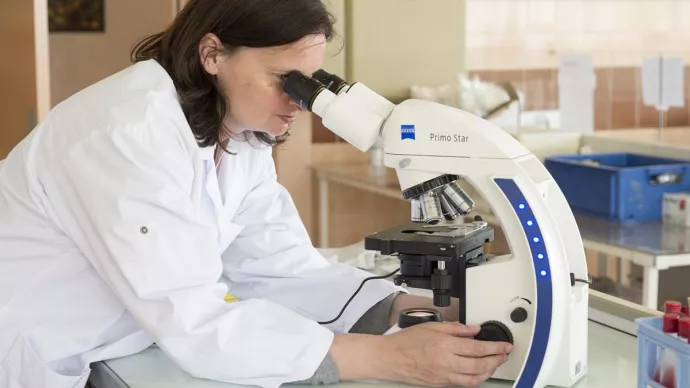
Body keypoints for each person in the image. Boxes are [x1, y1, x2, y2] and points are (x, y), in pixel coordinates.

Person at [0, 1, 512, 387]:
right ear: (213, 53)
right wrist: (387, 357)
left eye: (309, 84)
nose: (300, 103)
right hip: (43, 347)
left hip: (126, 342)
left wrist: (407, 308)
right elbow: (194, 318)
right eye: (283, 79)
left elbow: (278, 266)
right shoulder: (127, 135)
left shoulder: (238, 135)